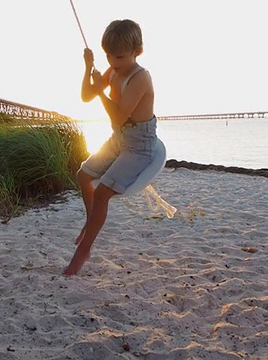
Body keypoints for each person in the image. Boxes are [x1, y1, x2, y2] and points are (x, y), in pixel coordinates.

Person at [64, 19, 161, 276]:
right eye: (108, 56)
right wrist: (88, 68)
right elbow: (87, 96)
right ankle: (90, 223)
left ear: (137, 51)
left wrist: (101, 93)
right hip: (118, 140)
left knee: (103, 192)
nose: (113, 62)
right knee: (83, 175)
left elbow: (118, 116)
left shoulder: (140, 77)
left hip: (140, 145)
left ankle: (83, 251)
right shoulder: (114, 70)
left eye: (119, 56)